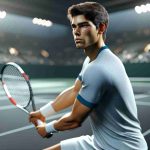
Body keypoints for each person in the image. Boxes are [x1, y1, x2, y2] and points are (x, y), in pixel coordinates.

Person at [29, 2, 148, 150]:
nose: (76, 32)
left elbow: (74, 120)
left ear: (101, 28)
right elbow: (74, 91)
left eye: (83, 25)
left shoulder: (98, 68)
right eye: (74, 26)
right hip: (100, 142)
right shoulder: (92, 60)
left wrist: (46, 128)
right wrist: (42, 113)